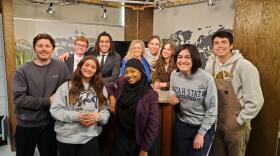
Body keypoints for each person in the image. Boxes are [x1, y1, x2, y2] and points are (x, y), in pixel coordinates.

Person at [205, 31, 264, 156]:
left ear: (231, 45)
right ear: (212, 47)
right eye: (216, 43)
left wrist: (239, 120)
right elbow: (207, 91)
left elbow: (256, 100)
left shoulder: (245, 66)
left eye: (223, 42)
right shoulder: (210, 65)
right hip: (215, 122)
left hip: (236, 124)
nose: (219, 45)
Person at [13, 33, 70, 156]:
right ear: (34, 48)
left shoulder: (61, 67)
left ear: (53, 49)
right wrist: (47, 101)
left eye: (47, 46)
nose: (44, 49)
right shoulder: (22, 70)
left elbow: (67, 89)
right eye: (40, 46)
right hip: (27, 124)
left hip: (50, 124)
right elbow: (19, 99)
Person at [50, 56, 110, 156]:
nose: (89, 69)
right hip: (67, 138)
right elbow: (55, 110)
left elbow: (105, 110)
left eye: (93, 67)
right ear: (80, 66)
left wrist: (99, 116)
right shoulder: (65, 86)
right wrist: (77, 116)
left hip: (90, 137)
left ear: (96, 71)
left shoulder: (100, 88)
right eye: (86, 65)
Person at [169, 44, 217, 156]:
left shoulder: (206, 78)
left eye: (187, 57)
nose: (182, 60)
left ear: (194, 58)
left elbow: (212, 109)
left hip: (202, 125)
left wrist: (201, 134)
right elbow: (172, 89)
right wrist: (172, 95)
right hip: (182, 124)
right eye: (180, 57)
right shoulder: (174, 75)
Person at [107, 59, 160, 156]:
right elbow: (110, 87)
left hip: (139, 138)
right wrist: (112, 98)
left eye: (133, 71)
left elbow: (153, 124)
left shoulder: (150, 94)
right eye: (126, 72)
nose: (129, 75)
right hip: (121, 135)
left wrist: (145, 149)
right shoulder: (122, 82)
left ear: (140, 72)